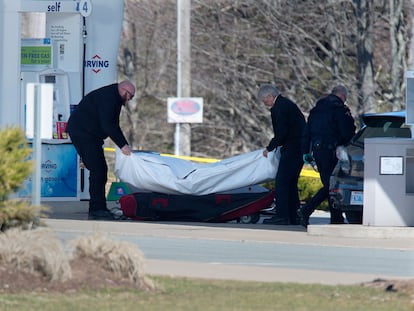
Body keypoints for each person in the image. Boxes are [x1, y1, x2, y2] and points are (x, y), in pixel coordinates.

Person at [66, 80, 135, 220]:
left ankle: (99, 207)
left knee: (99, 169)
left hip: (88, 134)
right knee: (99, 170)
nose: (129, 99)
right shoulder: (109, 98)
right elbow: (108, 125)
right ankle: (97, 209)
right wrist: (123, 145)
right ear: (124, 90)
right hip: (84, 133)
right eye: (130, 96)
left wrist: (123, 143)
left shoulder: (112, 96)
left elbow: (113, 124)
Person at [297, 85, 356, 227]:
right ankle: (306, 211)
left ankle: (336, 217)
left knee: (329, 185)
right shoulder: (340, 110)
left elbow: (306, 133)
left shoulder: (316, 110)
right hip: (333, 152)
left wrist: (306, 152)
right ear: (342, 96)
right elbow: (347, 132)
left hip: (318, 152)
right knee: (332, 185)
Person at [258, 84, 306, 225]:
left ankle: (282, 215)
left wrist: (270, 148)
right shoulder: (288, 104)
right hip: (299, 148)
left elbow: (281, 132)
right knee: (291, 183)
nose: (264, 103)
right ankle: (294, 215)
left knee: (282, 182)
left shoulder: (278, 108)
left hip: (292, 148)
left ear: (271, 97)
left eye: (264, 100)